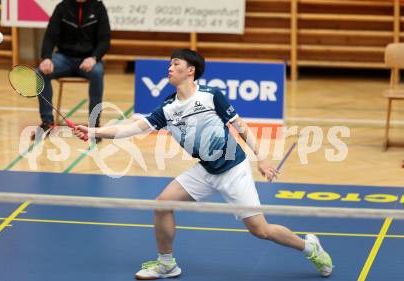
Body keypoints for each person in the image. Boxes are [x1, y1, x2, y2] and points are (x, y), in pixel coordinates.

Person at [72, 49, 333, 279]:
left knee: (261, 230)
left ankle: (310, 247)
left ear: (190, 70)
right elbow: (132, 129)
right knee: (162, 205)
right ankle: (166, 264)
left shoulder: (211, 96)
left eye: (175, 64)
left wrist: (261, 157)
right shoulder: (168, 108)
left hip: (233, 169)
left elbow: (240, 126)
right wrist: (94, 132)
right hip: (205, 169)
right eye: (170, 64)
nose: (170, 68)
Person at [33, 0, 111, 140]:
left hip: (88, 60)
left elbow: (105, 40)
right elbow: (50, 35)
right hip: (63, 58)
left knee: (98, 73)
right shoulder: (62, 8)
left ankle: (94, 126)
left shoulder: (98, 8)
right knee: (40, 72)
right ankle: (47, 123)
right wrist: (46, 58)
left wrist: (94, 58)